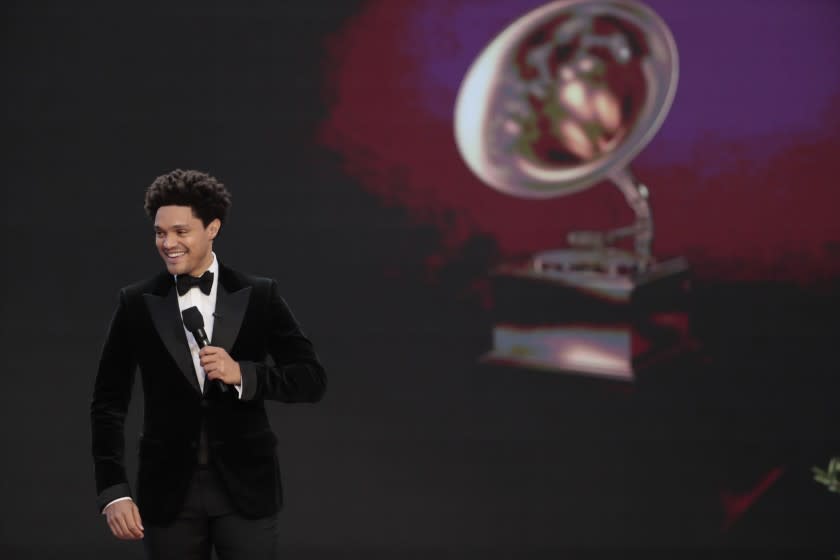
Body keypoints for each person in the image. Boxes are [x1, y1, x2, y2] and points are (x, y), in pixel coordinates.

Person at [90, 169, 326, 559]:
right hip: (167, 495)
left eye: (181, 232)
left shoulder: (259, 295)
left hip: (247, 491)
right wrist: (113, 491)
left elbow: (312, 379)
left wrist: (244, 375)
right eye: (160, 233)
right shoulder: (136, 302)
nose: (168, 243)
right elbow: (107, 403)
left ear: (212, 227)